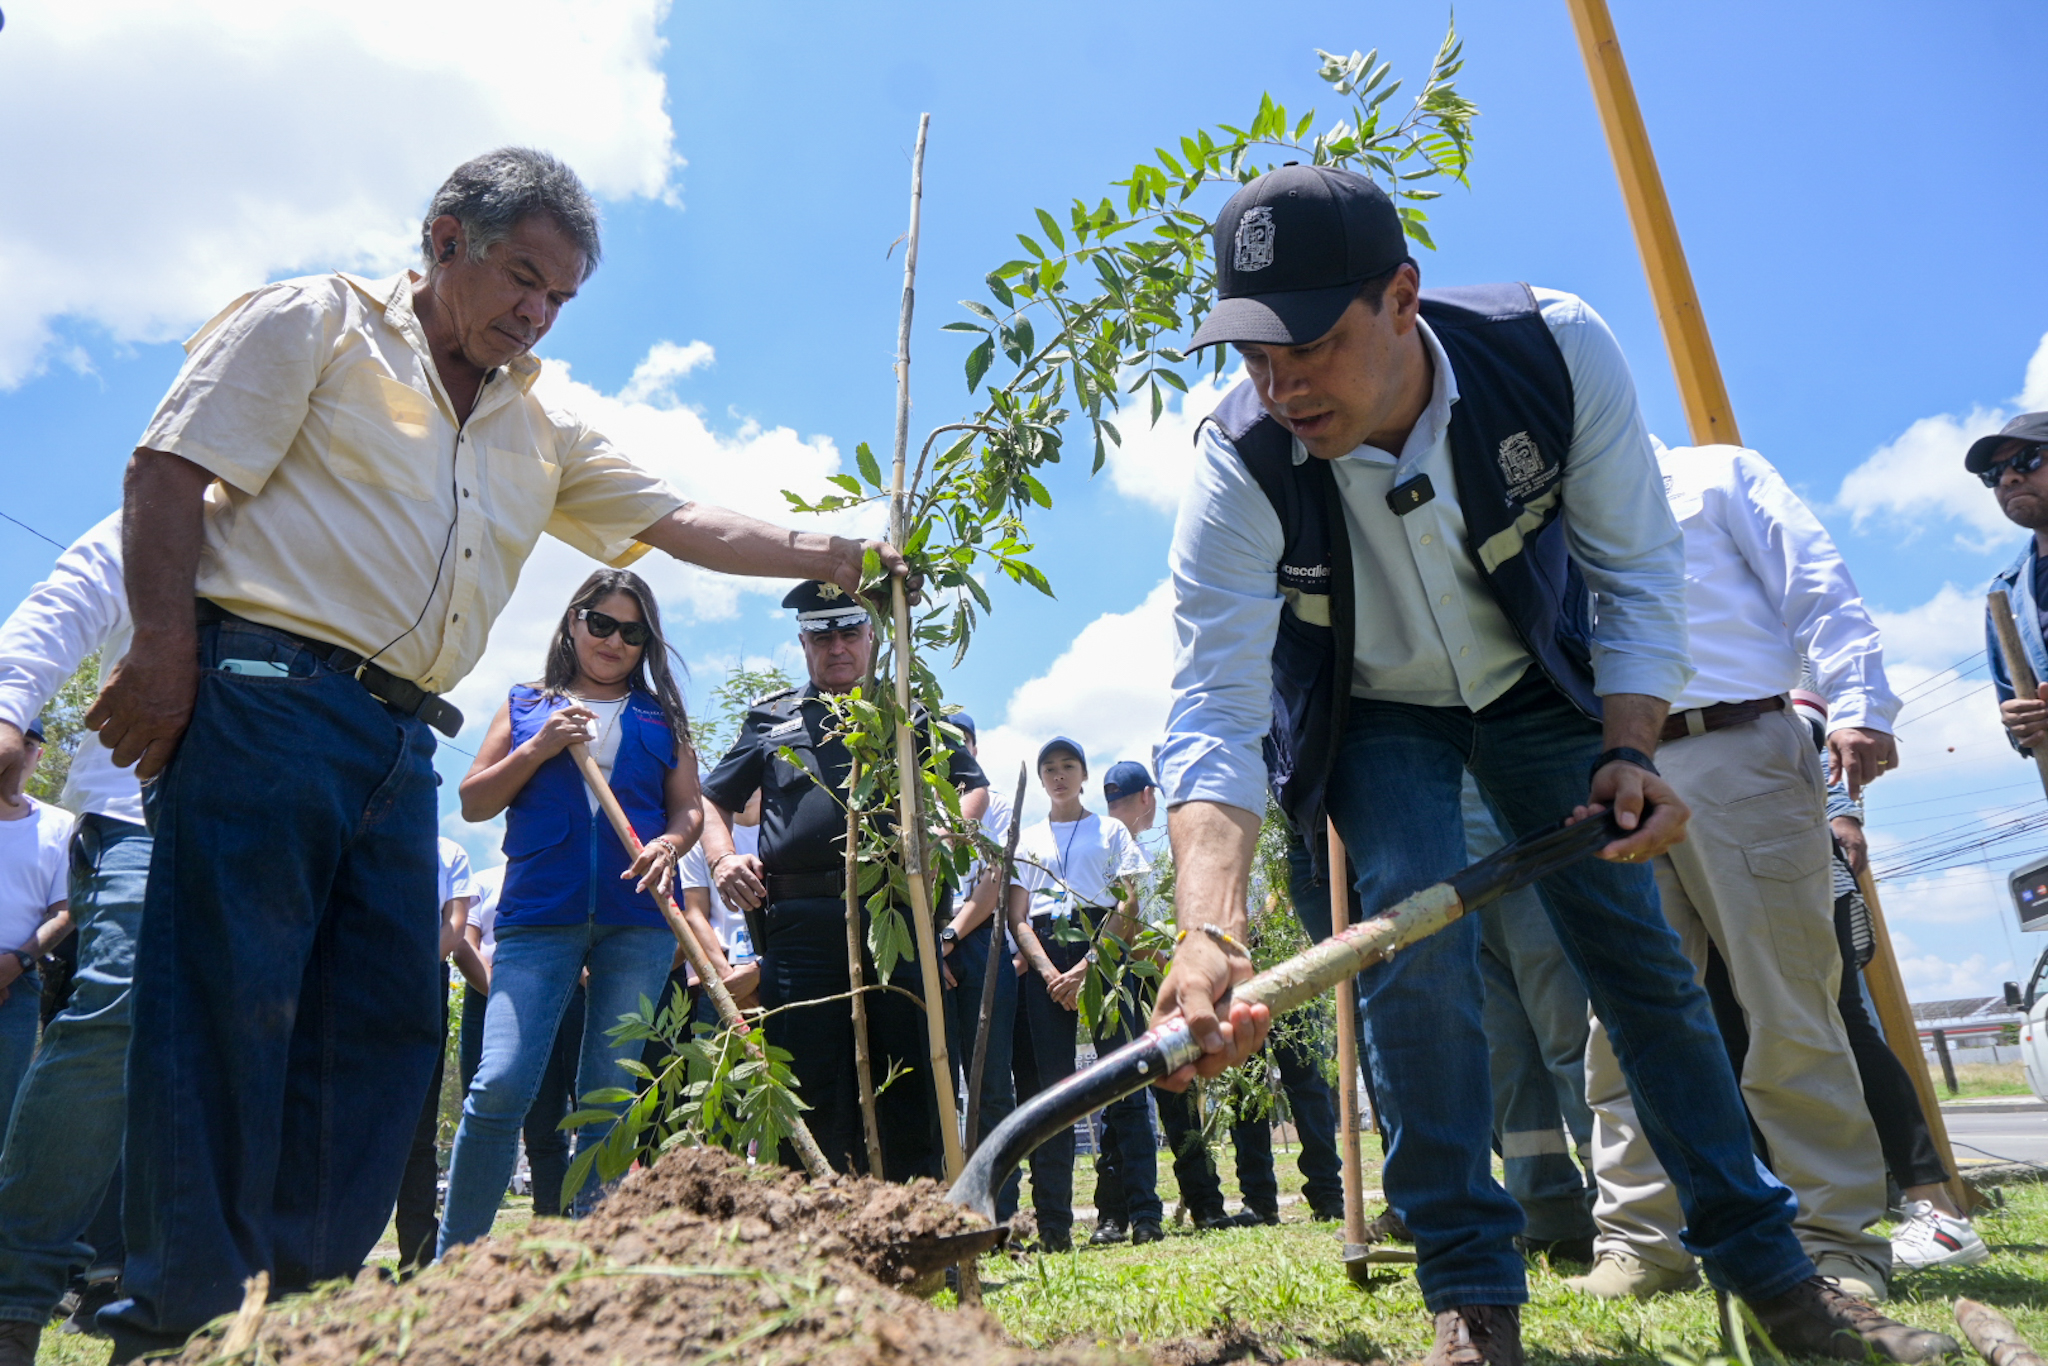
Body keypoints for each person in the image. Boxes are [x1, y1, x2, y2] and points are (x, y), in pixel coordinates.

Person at [81, 146, 909, 1356]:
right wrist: (163, 650)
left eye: (560, 297)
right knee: (230, 1009)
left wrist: (830, 551)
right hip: (262, 693)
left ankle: (300, 1317)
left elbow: (681, 522)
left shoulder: (545, 420)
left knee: (385, 1025)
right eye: (522, 277)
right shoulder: (316, 322)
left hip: (395, 737)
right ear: (444, 238)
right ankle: (184, 1319)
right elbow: (167, 467)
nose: (536, 312)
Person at [1150, 162, 1952, 1365]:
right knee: (1414, 964)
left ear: (1402, 298)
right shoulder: (1237, 460)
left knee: (1638, 963)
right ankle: (1472, 1301)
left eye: (1308, 344)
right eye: (1254, 353)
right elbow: (1211, 704)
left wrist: (1629, 747)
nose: (1280, 383)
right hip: (1373, 717)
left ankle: (1774, 1273)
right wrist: (1205, 931)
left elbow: (1633, 573)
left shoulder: (1552, 351)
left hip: (1536, 693)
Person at [1571, 440, 1899, 1300]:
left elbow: (1816, 582)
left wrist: (1860, 703)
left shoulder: (1716, 474)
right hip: (1611, 775)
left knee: (1787, 999)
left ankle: (1836, 1237)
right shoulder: (1539, 511)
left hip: (1738, 747)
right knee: (1622, 1019)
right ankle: (1642, 1240)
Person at [438, 569, 699, 1250]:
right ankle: (455, 1261)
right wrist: (540, 745)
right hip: (536, 919)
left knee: (607, 1099)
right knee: (499, 1084)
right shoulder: (527, 703)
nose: (614, 640)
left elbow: (689, 809)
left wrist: (671, 845)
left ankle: (592, 1258)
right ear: (574, 621)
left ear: (647, 644)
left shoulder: (662, 717)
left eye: (632, 632)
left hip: (636, 921)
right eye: (602, 623)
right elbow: (474, 801)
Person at [702, 582, 989, 1179]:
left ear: (872, 636)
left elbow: (972, 786)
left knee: (908, 1078)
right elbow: (712, 801)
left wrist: (943, 832)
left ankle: (913, 1234)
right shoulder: (771, 719)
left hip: (896, 920)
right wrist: (723, 858)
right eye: (821, 635)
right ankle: (814, 1240)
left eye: (849, 632)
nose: (837, 647)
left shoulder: (906, 711)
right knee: (807, 1085)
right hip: (799, 931)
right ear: (803, 644)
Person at [0, 513, 147, 1360]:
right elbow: (70, 599)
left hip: (282, 823)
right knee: (117, 1012)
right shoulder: (166, 502)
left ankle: (168, 1296)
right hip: (138, 807)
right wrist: (12, 703)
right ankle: (17, 1295)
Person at [1005, 738, 1158, 1252]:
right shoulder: (1027, 839)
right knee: (1052, 1094)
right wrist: (1052, 972)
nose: (1058, 776)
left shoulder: (1110, 829)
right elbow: (1018, 918)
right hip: (1047, 955)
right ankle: (1053, 1226)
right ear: (1042, 779)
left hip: (1104, 948)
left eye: (1068, 766)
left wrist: (1090, 964)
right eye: (1049, 769)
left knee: (1124, 1082)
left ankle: (1143, 1214)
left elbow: (1129, 900)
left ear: (1084, 774)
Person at [1466, 779, 1596, 1266]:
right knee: (1506, 1061)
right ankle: (1545, 1213)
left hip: (1521, 850)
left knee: (1570, 1040)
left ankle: (1617, 1203)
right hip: (1449, 874)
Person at [457, 862, 587, 1220]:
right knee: (486, 1110)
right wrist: (503, 992)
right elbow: (464, 945)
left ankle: (552, 1224)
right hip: (490, 1000)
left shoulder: (560, 872)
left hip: (557, 999)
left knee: (547, 1126)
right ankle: (468, 1235)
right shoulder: (482, 880)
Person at [937, 714, 1022, 1222]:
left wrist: (946, 941)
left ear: (975, 746)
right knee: (938, 1088)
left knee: (990, 1087)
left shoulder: (997, 803)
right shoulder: (917, 799)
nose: (954, 752)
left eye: (961, 743)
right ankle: (945, 1212)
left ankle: (1001, 1211)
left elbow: (992, 885)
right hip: (929, 946)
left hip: (978, 945)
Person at [392, 838, 486, 1270]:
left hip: (423, 982)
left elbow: (455, 925)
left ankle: (415, 1260)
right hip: (354, 976)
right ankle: (334, 1259)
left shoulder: (449, 853)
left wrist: (409, 966)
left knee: (417, 1133)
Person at [0, 716, 71, 1118]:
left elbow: (65, 911)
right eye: (13, 739)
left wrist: (13, 965)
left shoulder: (60, 825)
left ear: (38, 755)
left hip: (15, 988)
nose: (20, 750)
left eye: (30, 743)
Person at [1978, 414, 2048, 751]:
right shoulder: (2004, 594)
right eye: (1993, 473)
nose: (2008, 478)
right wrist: (2022, 724)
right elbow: (2013, 701)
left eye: (2027, 459)